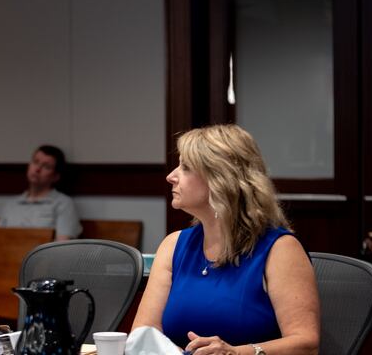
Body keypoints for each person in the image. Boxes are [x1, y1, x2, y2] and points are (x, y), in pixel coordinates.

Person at [132, 124, 319, 355]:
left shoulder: (280, 249)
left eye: (186, 167)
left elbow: (306, 344)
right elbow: (144, 332)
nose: (171, 176)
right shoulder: (173, 245)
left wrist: (236, 353)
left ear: (221, 178)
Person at [0, 145, 82, 240]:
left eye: (46, 166)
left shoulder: (63, 203)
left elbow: (62, 246)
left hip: (43, 255)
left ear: (56, 176)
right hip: (7, 253)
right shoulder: (11, 204)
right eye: (35, 162)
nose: (37, 169)